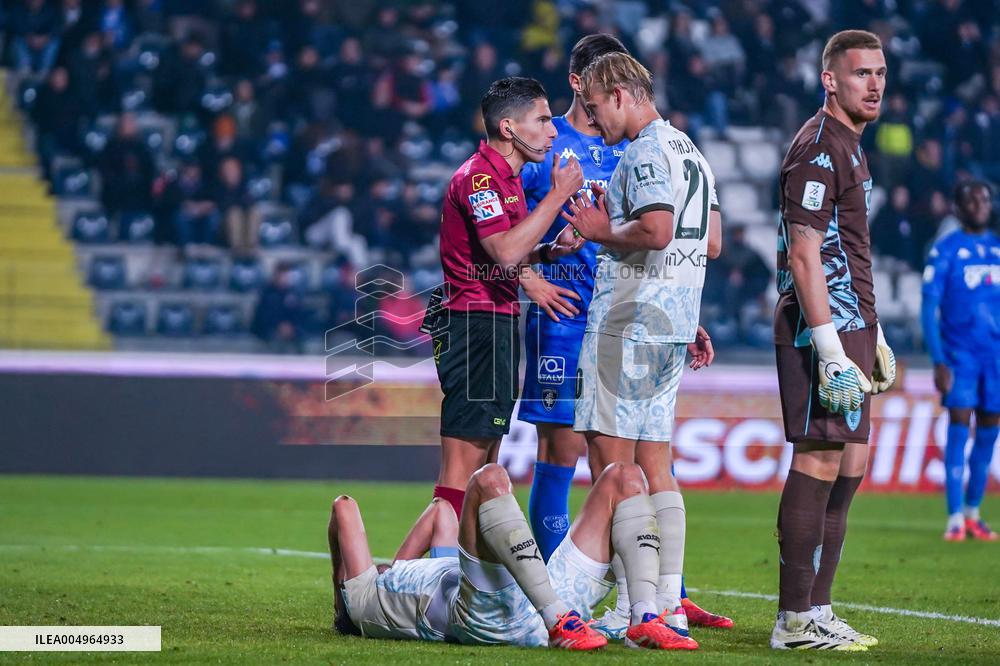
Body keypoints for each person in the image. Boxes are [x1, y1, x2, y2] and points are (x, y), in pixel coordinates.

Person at [518, 33, 732, 632]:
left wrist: (596, 230)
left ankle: (643, 601)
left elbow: (665, 234)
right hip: (568, 315)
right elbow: (507, 232)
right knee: (569, 451)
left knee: (620, 466)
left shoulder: (638, 148)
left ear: (612, 88)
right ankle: (613, 596)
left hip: (623, 318)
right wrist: (531, 277)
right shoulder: (551, 142)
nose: (589, 97)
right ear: (575, 82)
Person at [771, 30, 896, 651]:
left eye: (879, 73)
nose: (874, 84)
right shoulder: (820, 148)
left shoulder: (851, 145)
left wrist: (874, 330)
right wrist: (829, 349)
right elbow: (803, 256)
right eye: (859, 74)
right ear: (830, 80)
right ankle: (793, 621)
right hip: (820, 327)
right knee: (819, 457)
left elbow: (848, 250)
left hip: (852, 324)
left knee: (851, 461)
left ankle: (817, 609)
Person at [329, 462, 697, 650]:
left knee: (624, 476)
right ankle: (560, 623)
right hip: (490, 616)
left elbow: (442, 510)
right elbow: (343, 507)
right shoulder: (361, 600)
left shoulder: (394, 582)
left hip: (540, 593)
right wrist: (340, 599)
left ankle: (644, 616)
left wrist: (397, 564)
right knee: (488, 479)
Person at [428, 77, 584, 521]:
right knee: (462, 473)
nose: (554, 131)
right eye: (543, 120)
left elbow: (505, 252)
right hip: (473, 322)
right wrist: (556, 197)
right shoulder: (480, 178)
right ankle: (417, 575)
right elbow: (505, 252)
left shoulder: (507, 180)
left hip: (493, 322)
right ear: (509, 127)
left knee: (483, 470)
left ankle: (444, 575)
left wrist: (549, 251)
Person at [921, 181, 1000, 542]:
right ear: (957, 206)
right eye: (971, 199)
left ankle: (973, 513)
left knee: (988, 430)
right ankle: (954, 517)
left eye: (984, 199)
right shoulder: (946, 250)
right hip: (960, 356)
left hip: (995, 358)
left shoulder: (998, 248)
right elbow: (928, 308)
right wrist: (938, 359)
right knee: (959, 424)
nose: (979, 204)